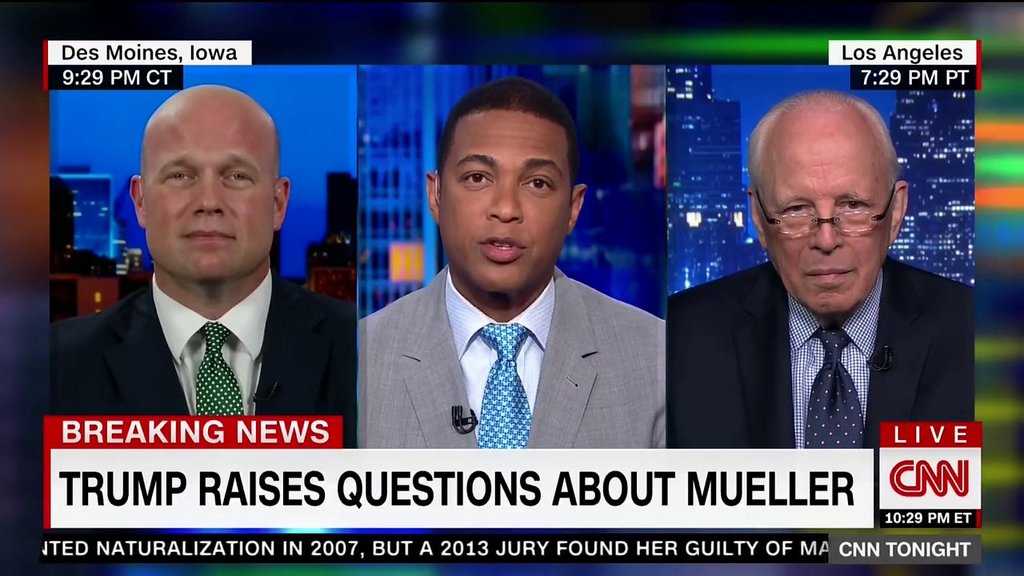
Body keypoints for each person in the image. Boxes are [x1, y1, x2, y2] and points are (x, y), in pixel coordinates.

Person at [359, 76, 664, 449]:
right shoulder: (360, 359)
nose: (505, 209)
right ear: (435, 194)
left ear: (573, 208)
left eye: (537, 183)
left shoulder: (657, 359)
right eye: (477, 177)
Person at [50, 85, 357, 446]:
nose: (209, 201)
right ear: (140, 201)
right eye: (180, 175)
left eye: (237, 176)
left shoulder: (368, 350)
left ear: (278, 203)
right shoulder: (52, 366)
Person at [666, 90, 973, 449]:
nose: (826, 240)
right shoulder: (678, 339)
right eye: (796, 210)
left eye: (853, 205)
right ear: (759, 218)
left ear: (896, 211)